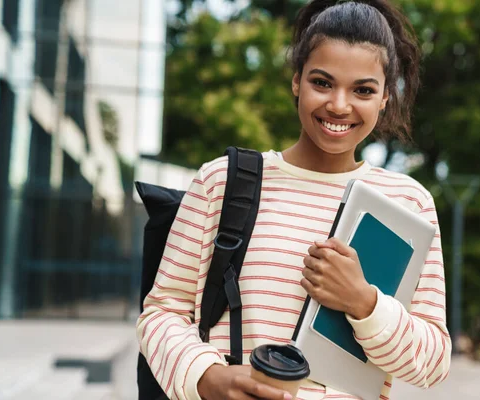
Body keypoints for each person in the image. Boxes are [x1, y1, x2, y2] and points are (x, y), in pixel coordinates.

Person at [136, 0, 452, 398]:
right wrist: (208, 379)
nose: (339, 104)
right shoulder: (221, 182)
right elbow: (162, 312)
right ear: (296, 81)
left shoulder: (408, 203)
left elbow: (433, 362)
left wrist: (364, 302)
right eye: (322, 82)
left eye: (363, 90)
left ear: (385, 96)